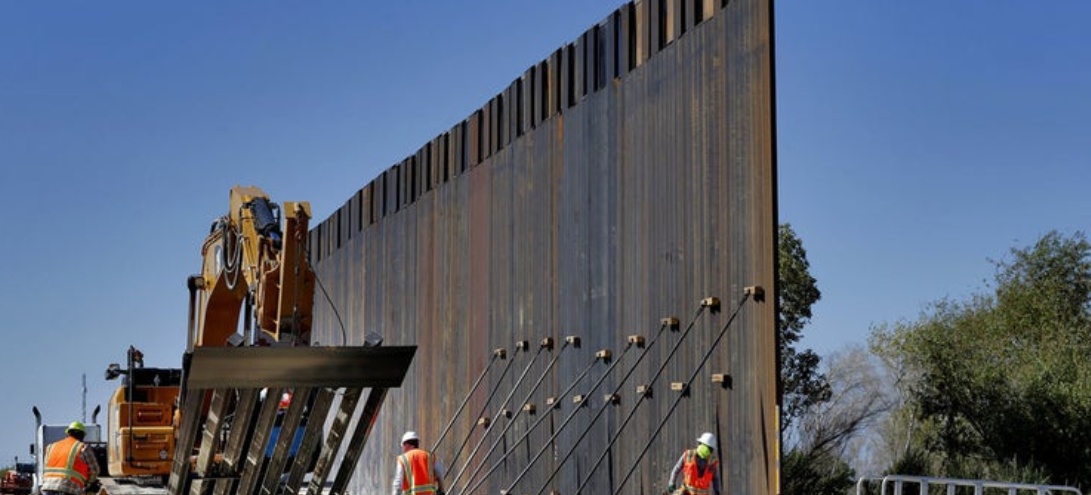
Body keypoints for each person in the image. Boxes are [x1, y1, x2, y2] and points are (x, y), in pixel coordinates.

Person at [41, 421, 100, 495]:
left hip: (47, 487)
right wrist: (88, 484)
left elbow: (45, 468)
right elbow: (94, 471)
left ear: (68, 433)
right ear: (82, 436)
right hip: (68, 488)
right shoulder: (83, 447)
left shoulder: (51, 447)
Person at [391, 431, 445, 495]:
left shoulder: (403, 459)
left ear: (406, 445)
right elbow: (440, 474)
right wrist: (441, 490)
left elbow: (398, 483)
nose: (403, 449)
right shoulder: (429, 456)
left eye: (403, 446)